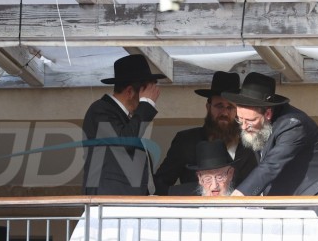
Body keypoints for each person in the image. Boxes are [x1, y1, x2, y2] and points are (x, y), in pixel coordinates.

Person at [224, 72, 318, 218]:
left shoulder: (293, 124)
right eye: (240, 119)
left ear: (268, 114)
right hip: (298, 203)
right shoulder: (260, 128)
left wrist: (240, 195)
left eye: (250, 120)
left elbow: (271, 165)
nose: (244, 126)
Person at [154, 71, 256, 195]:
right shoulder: (186, 141)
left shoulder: (251, 144)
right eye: (219, 106)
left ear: (237, 111)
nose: (224, 113)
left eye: (230, 107)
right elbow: (161, 183)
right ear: (208, 107)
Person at [82, 54, 164, 195]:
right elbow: (125, 142)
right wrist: (147, 104)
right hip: (108, 200)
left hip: (126, 199)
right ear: (130, 91)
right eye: (144, 95)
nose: (146, 101)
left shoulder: (126, 119)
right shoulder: (100, 110)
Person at [168, 141, 236, 197]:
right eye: (208, 179)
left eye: (220, 177)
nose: (214, 186)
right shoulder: (178, 195)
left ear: (230, 174)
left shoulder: (241, 195)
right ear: (200, 178)